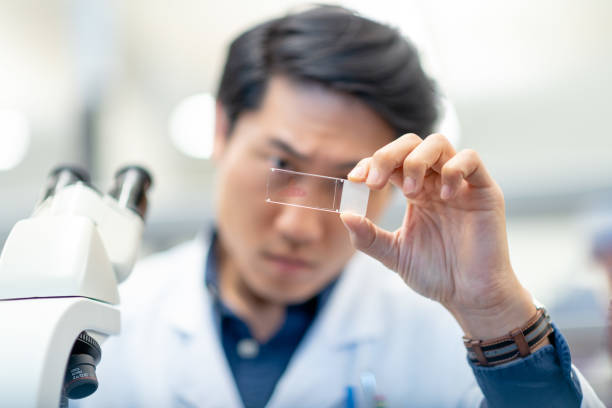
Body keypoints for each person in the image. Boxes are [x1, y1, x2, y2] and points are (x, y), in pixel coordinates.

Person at [80, 5, 603, 407]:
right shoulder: (103, 326)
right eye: (283, 165)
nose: (301, 227)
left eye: (350, 183)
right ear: (222, 130)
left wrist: (493, 309)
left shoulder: (457, 339)